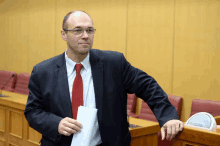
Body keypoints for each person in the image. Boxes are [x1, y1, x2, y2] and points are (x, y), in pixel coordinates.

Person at [24, 10, 184, 146]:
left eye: (90, 30)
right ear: (63, 34)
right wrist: (56, 123)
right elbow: (33, 111)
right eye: (77, 30)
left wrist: (168, 117)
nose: (85, 36)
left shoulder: (114, 63)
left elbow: (148, 86)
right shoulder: (43, 71)